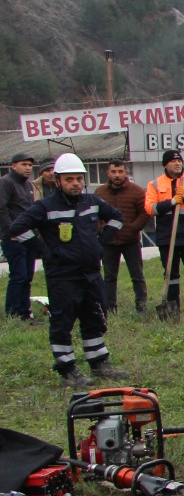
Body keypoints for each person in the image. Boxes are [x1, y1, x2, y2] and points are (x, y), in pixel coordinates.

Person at [6, 153, 129, 386]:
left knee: (94, 318)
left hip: (91, 273)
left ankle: (99, 363)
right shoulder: (45, 206)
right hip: (62, 276)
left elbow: (116, 217)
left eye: (78, 179)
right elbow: (17, 228)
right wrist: (44, 251)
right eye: (69, 179)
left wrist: (101, 243)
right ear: (59, 180)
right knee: (63, 322)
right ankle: (67, 369)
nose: (75, 184)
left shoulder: (91, 202)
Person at [144, 149, 184, 318]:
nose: (178, 163)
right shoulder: (155, 184)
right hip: (167, 237)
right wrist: (171, 202)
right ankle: (173, 310)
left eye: (179, 160)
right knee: (170, 275)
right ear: (166, 164)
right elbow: (150, 208)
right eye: (173, 161)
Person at [94, 159, 151, 314]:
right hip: (108, 241)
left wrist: (133, 228)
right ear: (108, 173)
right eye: (113, 172)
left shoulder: (137, 191)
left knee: (137, 275)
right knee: (109, 277)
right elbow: (94, 214)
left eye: (120, 171)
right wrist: (101, 229)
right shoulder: (99, 193)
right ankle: (110, 307)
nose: (117, 175)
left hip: (130, 241)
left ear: (126, 172)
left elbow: (145, 213)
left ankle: (141, 306)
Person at [1, 152, 37, 321]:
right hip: (14, 238)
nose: (28, 168)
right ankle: (13, 313)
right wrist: (11, 232)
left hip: (28, 236)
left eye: (30, 165)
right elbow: (2, 210)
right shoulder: (6, 183)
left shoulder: (28, 186)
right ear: (13, 166)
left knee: (28, 276)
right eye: (24, 164)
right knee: (19, 275)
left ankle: (25, 312)